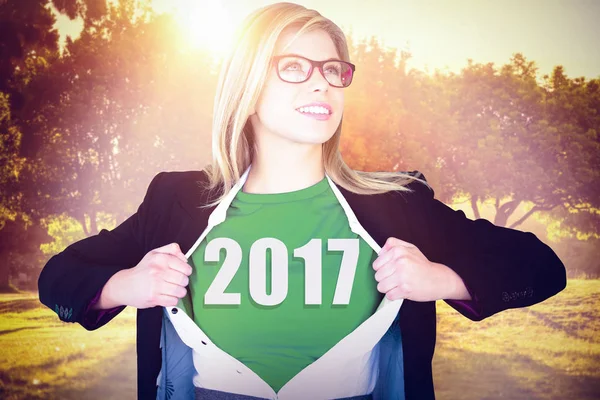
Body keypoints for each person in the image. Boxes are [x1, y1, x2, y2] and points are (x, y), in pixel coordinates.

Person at [37, 2, 567, 400]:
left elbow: (541, 267)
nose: (323, 84)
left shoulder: (398, 202)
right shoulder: (176, 200)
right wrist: (126, 285)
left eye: (334, 70)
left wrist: (442, 279)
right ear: (247, 84)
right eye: (294, 67)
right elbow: (59, 277)